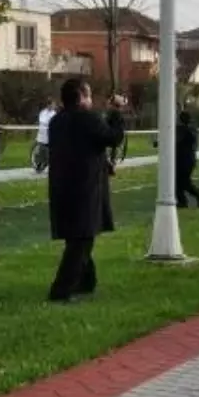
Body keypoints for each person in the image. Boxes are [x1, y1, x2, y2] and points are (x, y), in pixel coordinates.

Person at [46, 80, 126, 303]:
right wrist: (117, 112)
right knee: (81, 240)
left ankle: (86, 281)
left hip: (63, 186)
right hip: (85, 187)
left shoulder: (57, 121)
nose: (91, 99)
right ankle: (61, 290)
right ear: (81, 96)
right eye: (89, 94)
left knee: (79, 237)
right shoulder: (87, 118)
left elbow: (85, 145)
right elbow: (112, 138)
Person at [175, 111, 199, 208]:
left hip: (184, 160)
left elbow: (176, 140)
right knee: (181, 182)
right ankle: (185, 201)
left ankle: (198, 196)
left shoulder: (185, 130)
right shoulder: (190, 129)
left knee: (182, 182)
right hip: (186, 160)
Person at [34, 96, 56, 173]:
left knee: (48, 154)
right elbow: (42, 121)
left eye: (54, 105)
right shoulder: (43, 113)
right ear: (48, 105)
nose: (53, 106)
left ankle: (46, 165)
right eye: (52, 105)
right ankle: (39, 166)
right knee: (40, 152)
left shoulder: (54, 114)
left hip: (49, 136)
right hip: (42, 136)